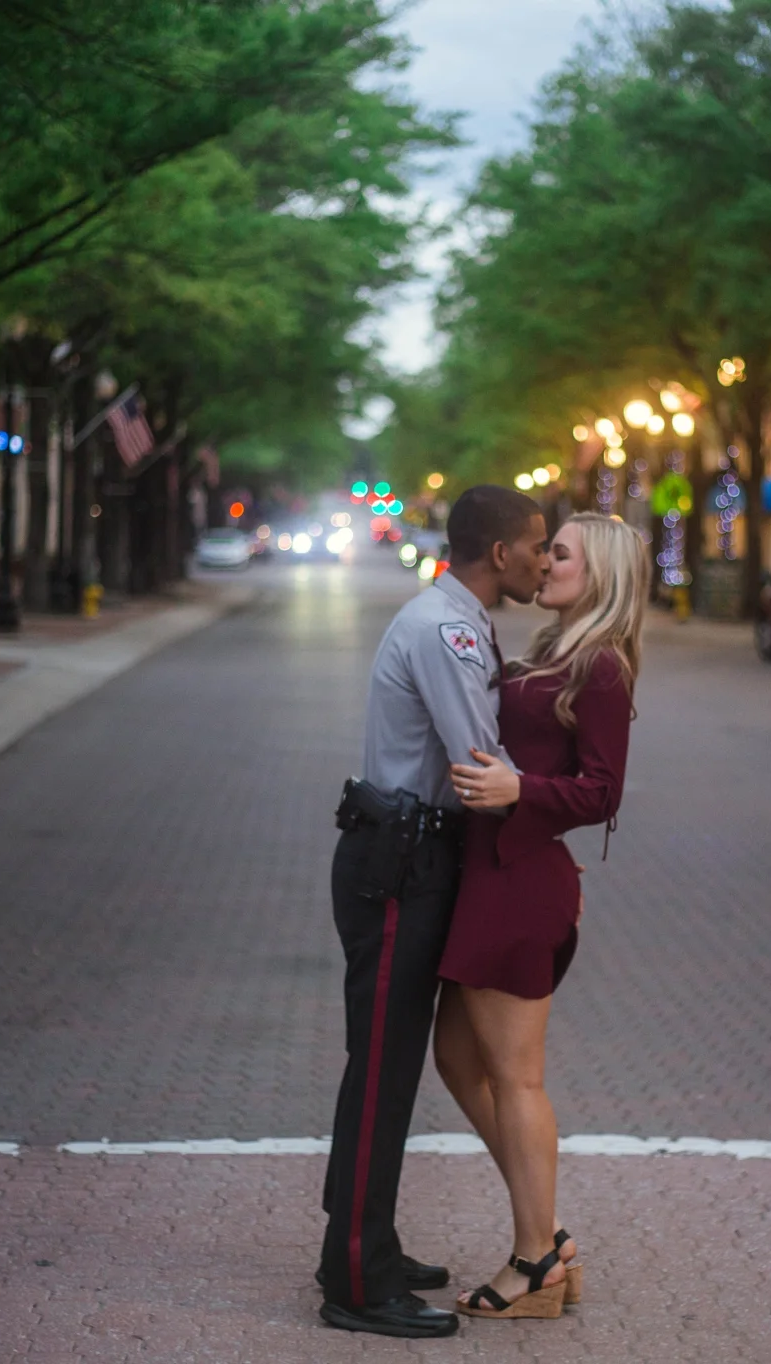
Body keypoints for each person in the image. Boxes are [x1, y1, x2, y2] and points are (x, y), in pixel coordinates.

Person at [318, 484, 549, 1340]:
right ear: (499, 554)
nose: (542, 557)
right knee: (380, 1077)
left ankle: (364, 1242)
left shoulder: (454, 617)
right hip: (402, 864)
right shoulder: (447, 629)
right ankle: (355, 1279)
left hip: (410, 859)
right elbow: (478, 764)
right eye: (537, 545)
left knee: (389, 1071)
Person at [436, 512, 648, 1321]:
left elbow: (603, 791)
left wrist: (521, 790)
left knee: (516, 1077)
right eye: (546, 548)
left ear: (599, 572)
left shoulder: (598, 666)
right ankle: (549, 1233)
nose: (543, 560)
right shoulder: (548, 650)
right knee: (456, 1056)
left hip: (523, 882)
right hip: (493, 876)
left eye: (559, 552)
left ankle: (533, 1262)